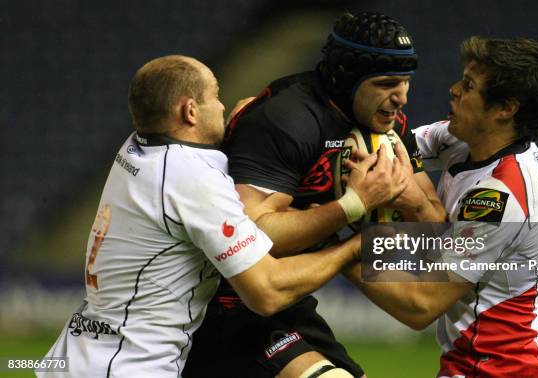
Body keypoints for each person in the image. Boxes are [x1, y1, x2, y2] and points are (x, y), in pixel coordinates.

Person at [38, 55, 369, 378]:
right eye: (215, 96)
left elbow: (194, 170)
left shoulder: (136, 149)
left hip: (78, 355)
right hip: (127, 366)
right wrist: (351, 243)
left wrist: (247, 128)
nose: (224, 106)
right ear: (190, 110)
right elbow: (267, 293)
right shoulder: (191, 181)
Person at [184, 11, 446, 378]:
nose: (401, 97)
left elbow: (436, 235)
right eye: (387, 83)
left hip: (288, 301)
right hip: (223, 303)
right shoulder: (286, 119)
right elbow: (251, 236)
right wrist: (354, 206)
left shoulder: (386, 127)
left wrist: (409, 199)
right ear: (347, 77)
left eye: (405, 82)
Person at [344, 37, 538, 378]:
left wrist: (331, 253)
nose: (453, 90)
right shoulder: (462, 139)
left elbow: (421, 306)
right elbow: (391, 148)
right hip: (471, 365)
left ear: (505, 109)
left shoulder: (498, 199)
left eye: (469, 85)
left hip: (496, 370)